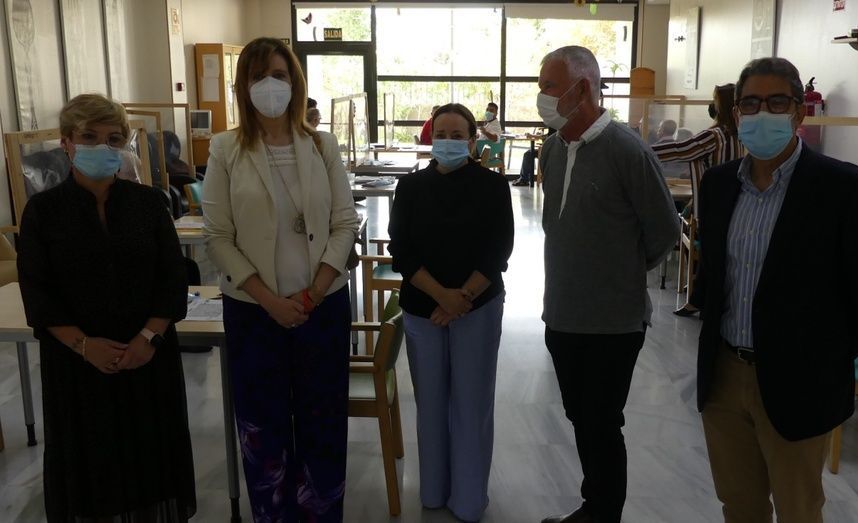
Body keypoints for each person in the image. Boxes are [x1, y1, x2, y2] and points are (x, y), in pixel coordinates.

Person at [693, 57, 858, 523]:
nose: (761, 112)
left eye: (776, 102)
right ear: (736, 114)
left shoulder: (848, 189)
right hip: (725, 375)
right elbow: (715, 274)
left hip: (801, 381)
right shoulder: (720, 184)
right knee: (738, 505)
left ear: (799, 111)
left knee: (798, 509)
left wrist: (826, 354)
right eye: (750, 103)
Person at [17, 93, 196, 521]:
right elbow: (38, 293)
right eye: (89, 137)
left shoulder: (149, 203)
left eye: (114, 138)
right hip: (77, 367)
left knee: (150, 465)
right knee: (91, 472)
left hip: (148, 359)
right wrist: (84, 346)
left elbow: (173, 279)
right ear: (66, 143)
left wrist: (147, 338)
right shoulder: (43, 212)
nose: (102, 146)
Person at [202, 37, 358, 522]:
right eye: (258, 76)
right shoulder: (225, 148)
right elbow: (218, 236)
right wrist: (270, 301)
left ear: (295, 83)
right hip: (254, 312)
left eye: (280, 75)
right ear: (243, 86)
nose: (270, 85)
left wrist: (312, 294)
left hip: (322, 307)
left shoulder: (322, 145)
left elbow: (344, 223)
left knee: (323, 423)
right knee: (262, 428)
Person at [536, 46, 679, 523]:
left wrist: (618, 274)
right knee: (581, 417)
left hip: (612, 323)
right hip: (562, 314)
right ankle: (593, 506)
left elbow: (664, 230)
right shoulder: (552, 148)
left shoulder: (627, 150)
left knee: (601, 423)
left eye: (549, 87)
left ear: (582, 88)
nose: (542, 96)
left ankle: (602, 515)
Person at [388, 103, 514, 522]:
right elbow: (402, 250)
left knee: (471, 404)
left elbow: (499, 249)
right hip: (423, 308)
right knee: (430, 403)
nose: (448, 141)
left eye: (457, 135)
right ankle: (434, 490)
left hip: (477, 306)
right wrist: (442, 296)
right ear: (430, 138)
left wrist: (461, 298)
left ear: (473, 141)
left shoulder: (493, 187)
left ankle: (468, 499)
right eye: (440, 133)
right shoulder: (410, 187)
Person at [653, 83, 742, 317]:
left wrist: (640, 151)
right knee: (713, 257)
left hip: (714, 208)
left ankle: (706, 303)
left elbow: (680, 150)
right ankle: (700, 299)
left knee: (711, 258)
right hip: (732, 205)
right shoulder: (739, 135)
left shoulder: (714, 136)